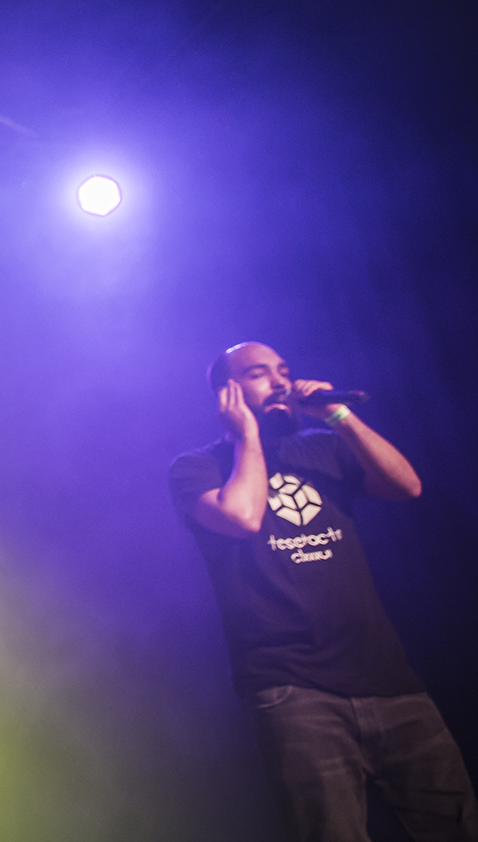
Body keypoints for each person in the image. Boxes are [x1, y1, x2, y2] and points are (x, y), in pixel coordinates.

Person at [169, 341, 477, 842]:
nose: (280, 382)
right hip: (294, 695)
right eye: (259, 374)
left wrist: (340, 417)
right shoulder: (196, 468)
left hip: (390, 682)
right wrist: (247, 435)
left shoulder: (324, 447)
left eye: (284, 371)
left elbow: (408, 486)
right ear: (228, 392)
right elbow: (243, 517)